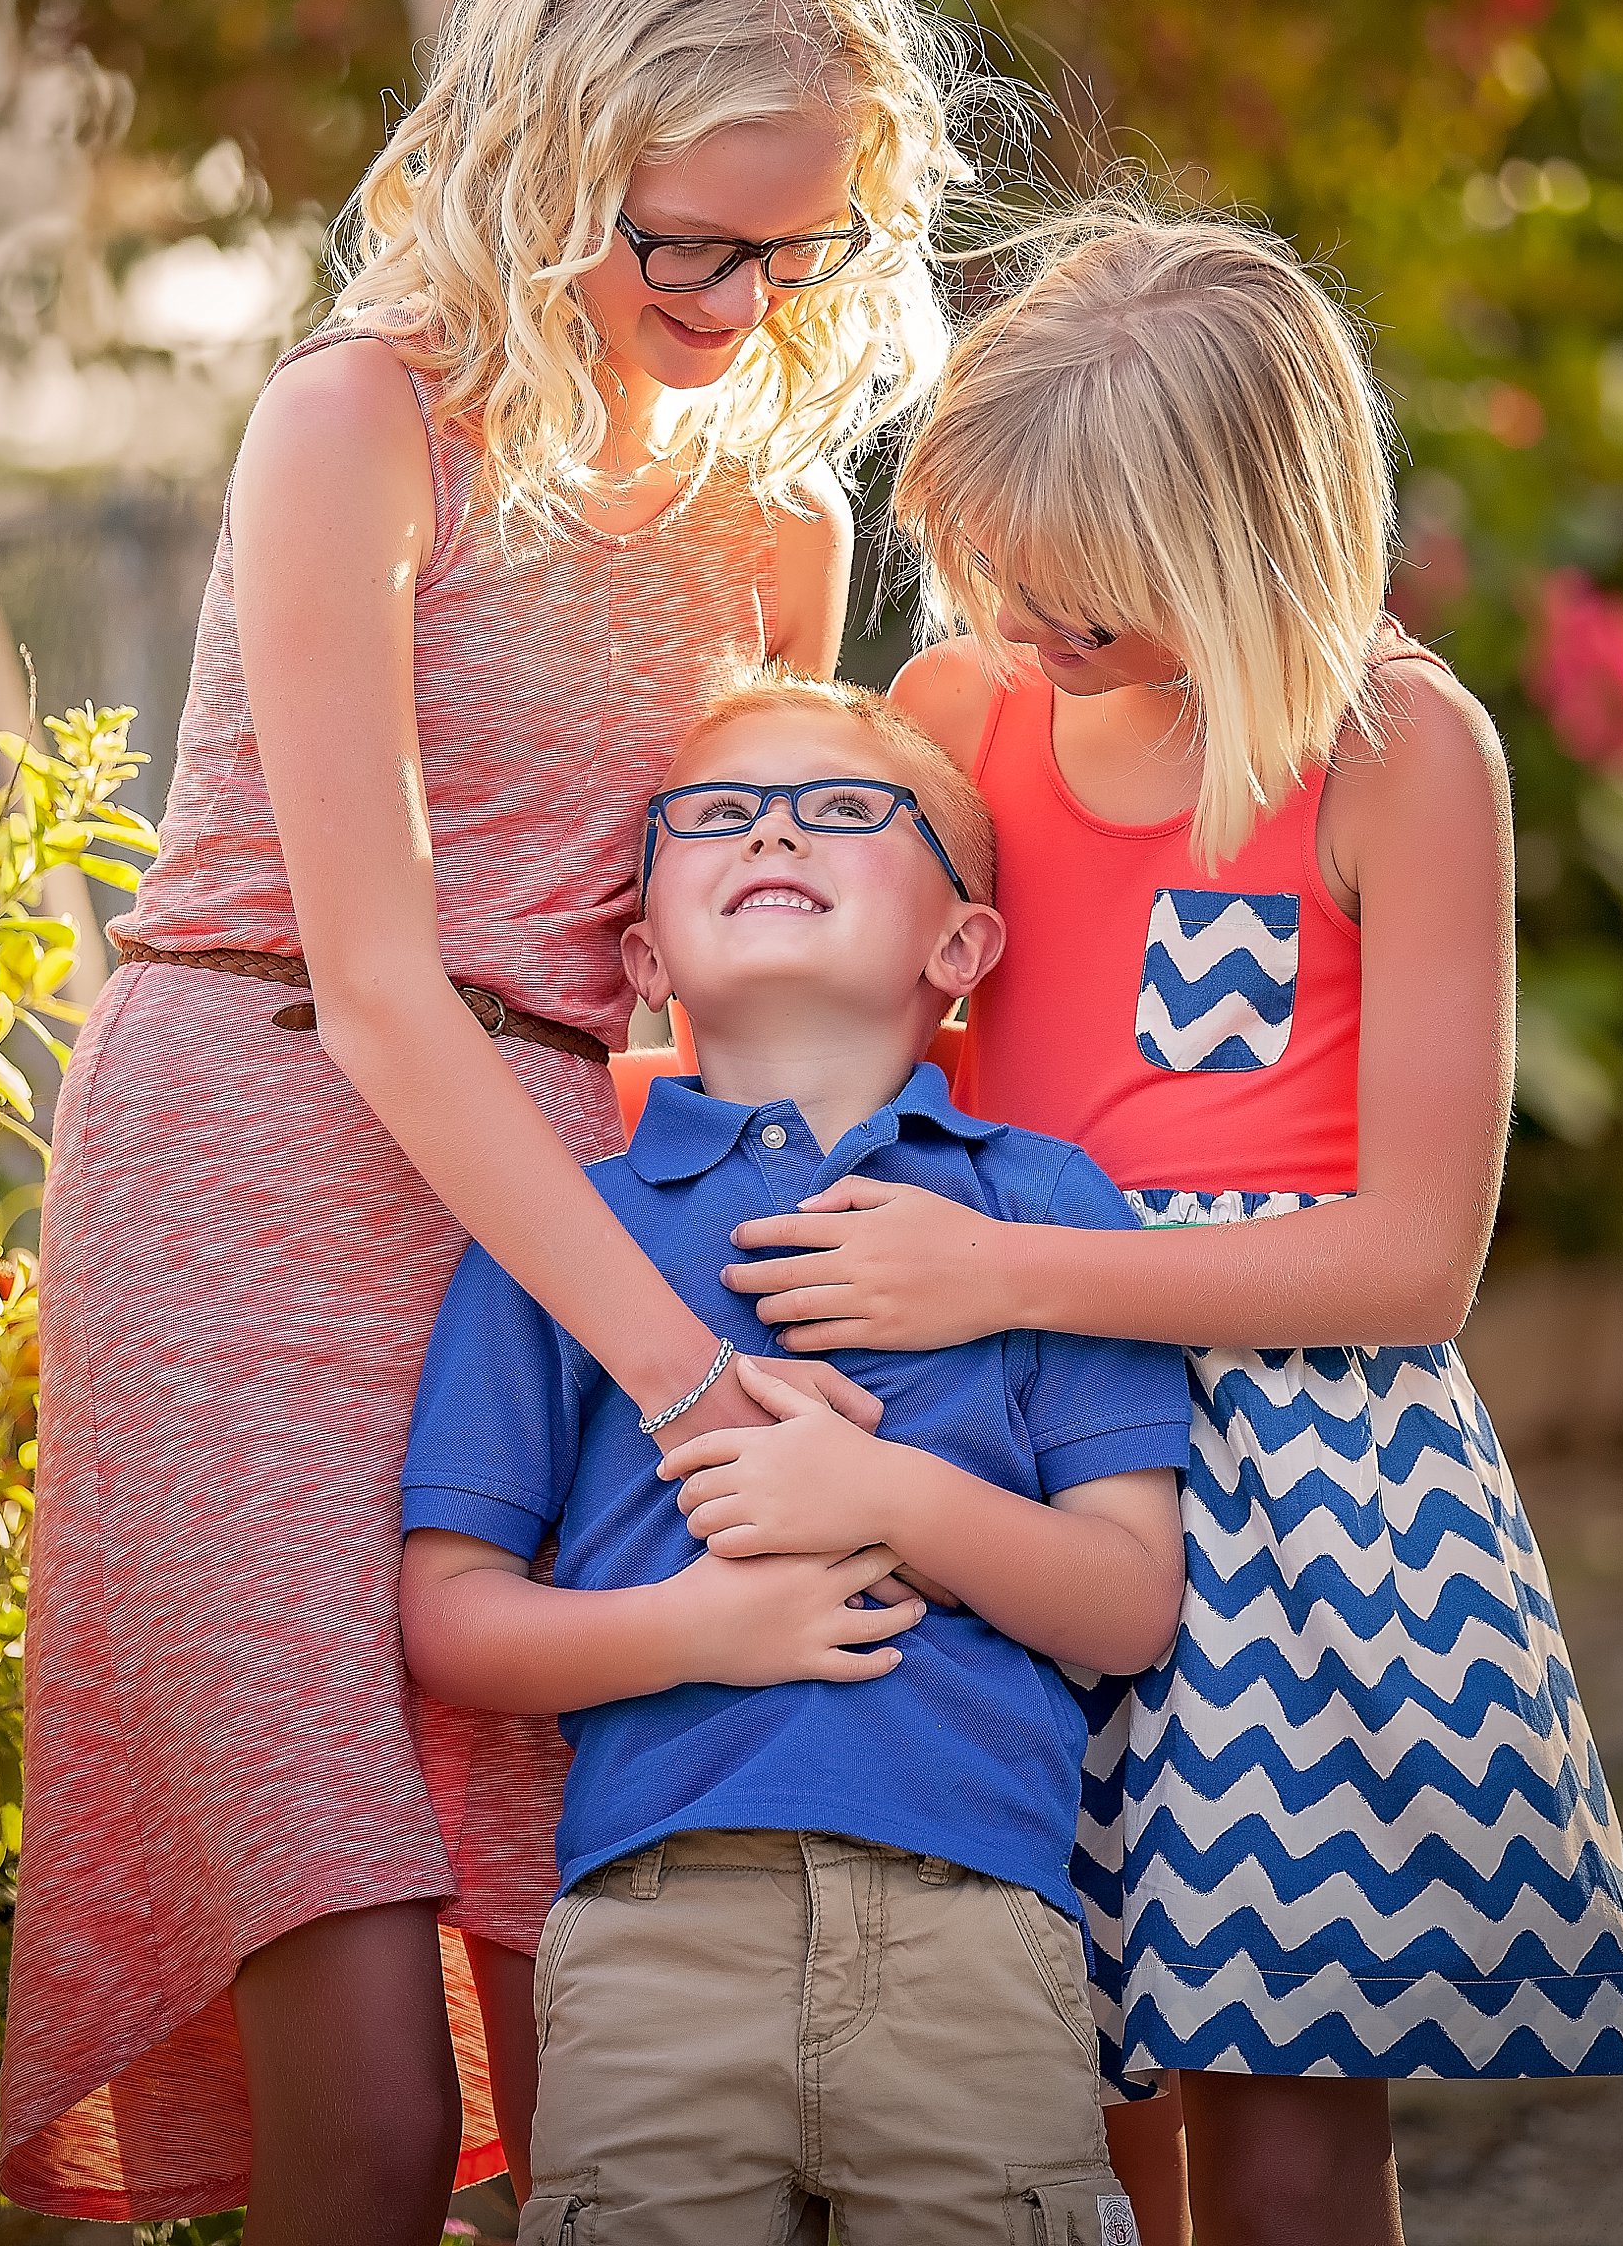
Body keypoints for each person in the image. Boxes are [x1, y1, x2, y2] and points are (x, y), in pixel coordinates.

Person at [0, 0, 990, 2244]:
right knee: (351, 2087)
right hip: (252, 1162)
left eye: (801, 249)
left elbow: (742, 978)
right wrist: (683, 1379)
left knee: (603, 2041)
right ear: (551, 157)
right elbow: (368, 975)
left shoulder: (772, 518)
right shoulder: (362, 421)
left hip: (555, 1210)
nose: (745, 306)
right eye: (690, 243)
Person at [718, 207, 1623, 2246]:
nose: (1028, 630)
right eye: (1004, 579)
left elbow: (1406, 1261)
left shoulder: (1395, 754)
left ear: (1251, 540)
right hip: (1000, 1447)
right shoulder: (969, 706)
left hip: (1297, 1484)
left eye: (1089, 604)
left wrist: (1005, 1269)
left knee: (1279, 2097)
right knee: (1030, 2055)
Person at [399, 671, 1192, 2246]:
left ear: (959, 946)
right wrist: (704, 1629)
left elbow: (1128, 1604)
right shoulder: (568, 1239)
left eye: (841, 807)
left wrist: (883, 1494)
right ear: (641, 955)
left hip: (980, 1922)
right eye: (712, 813)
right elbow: (450, 1620)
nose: (771, 826)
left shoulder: (1045, 1211)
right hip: (651, 1934)